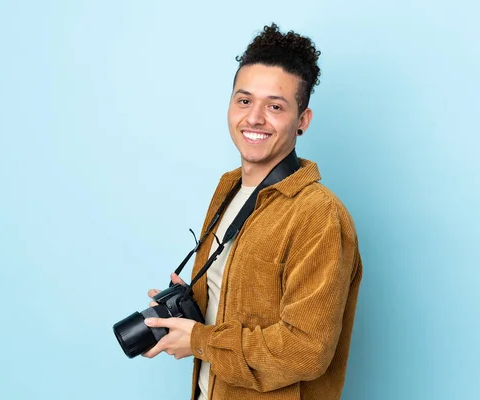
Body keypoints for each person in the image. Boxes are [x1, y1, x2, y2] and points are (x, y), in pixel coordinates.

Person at [142, 23, 363, 400]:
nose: (255, 118)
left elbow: (306, 351)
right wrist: (195, 305)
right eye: (244, 101)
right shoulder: (229, 188)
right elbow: (246, 303)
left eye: (275, 106)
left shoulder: (319, 215)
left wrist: (199, 340)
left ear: (303, 120)